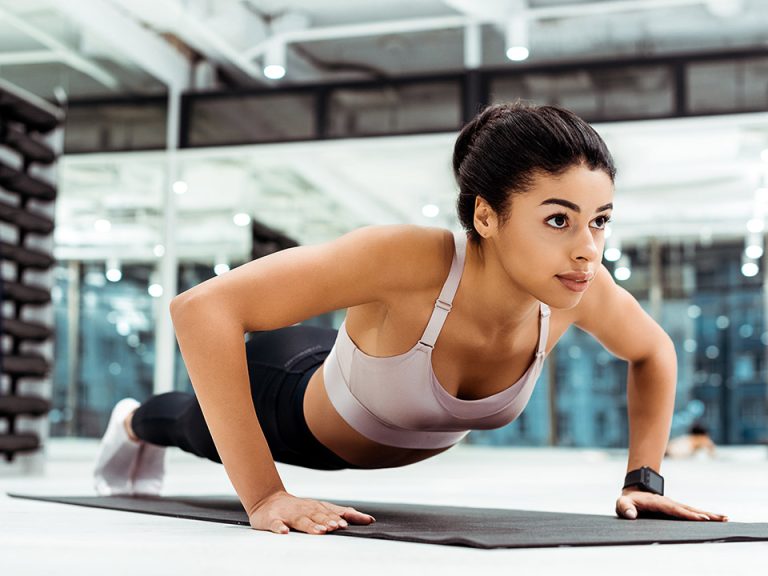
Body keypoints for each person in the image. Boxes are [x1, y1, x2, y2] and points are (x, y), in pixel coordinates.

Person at [93, 101, 728, 535]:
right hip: (287, 396)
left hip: (353, 367)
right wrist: (264, 495)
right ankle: (131, 421)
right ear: (486, 216)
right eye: (558, 219)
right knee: (183, 421)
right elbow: (201, 308)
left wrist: (644, 477)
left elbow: (653, 352)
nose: (588, 246)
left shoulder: (578, 288)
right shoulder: (408, 258)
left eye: (600, 221)